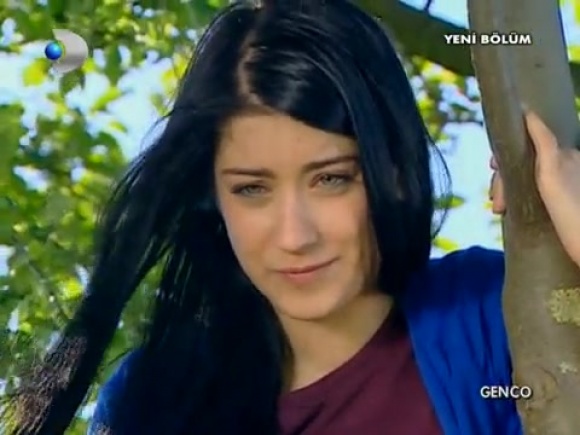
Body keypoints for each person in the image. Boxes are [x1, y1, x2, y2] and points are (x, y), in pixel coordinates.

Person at [4, 0, 580, 434]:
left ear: (393, 169)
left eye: (331, 179)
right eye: (252, 189)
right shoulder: (153, 397)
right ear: (213, 197)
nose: (295, 235)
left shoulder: (491, 310)